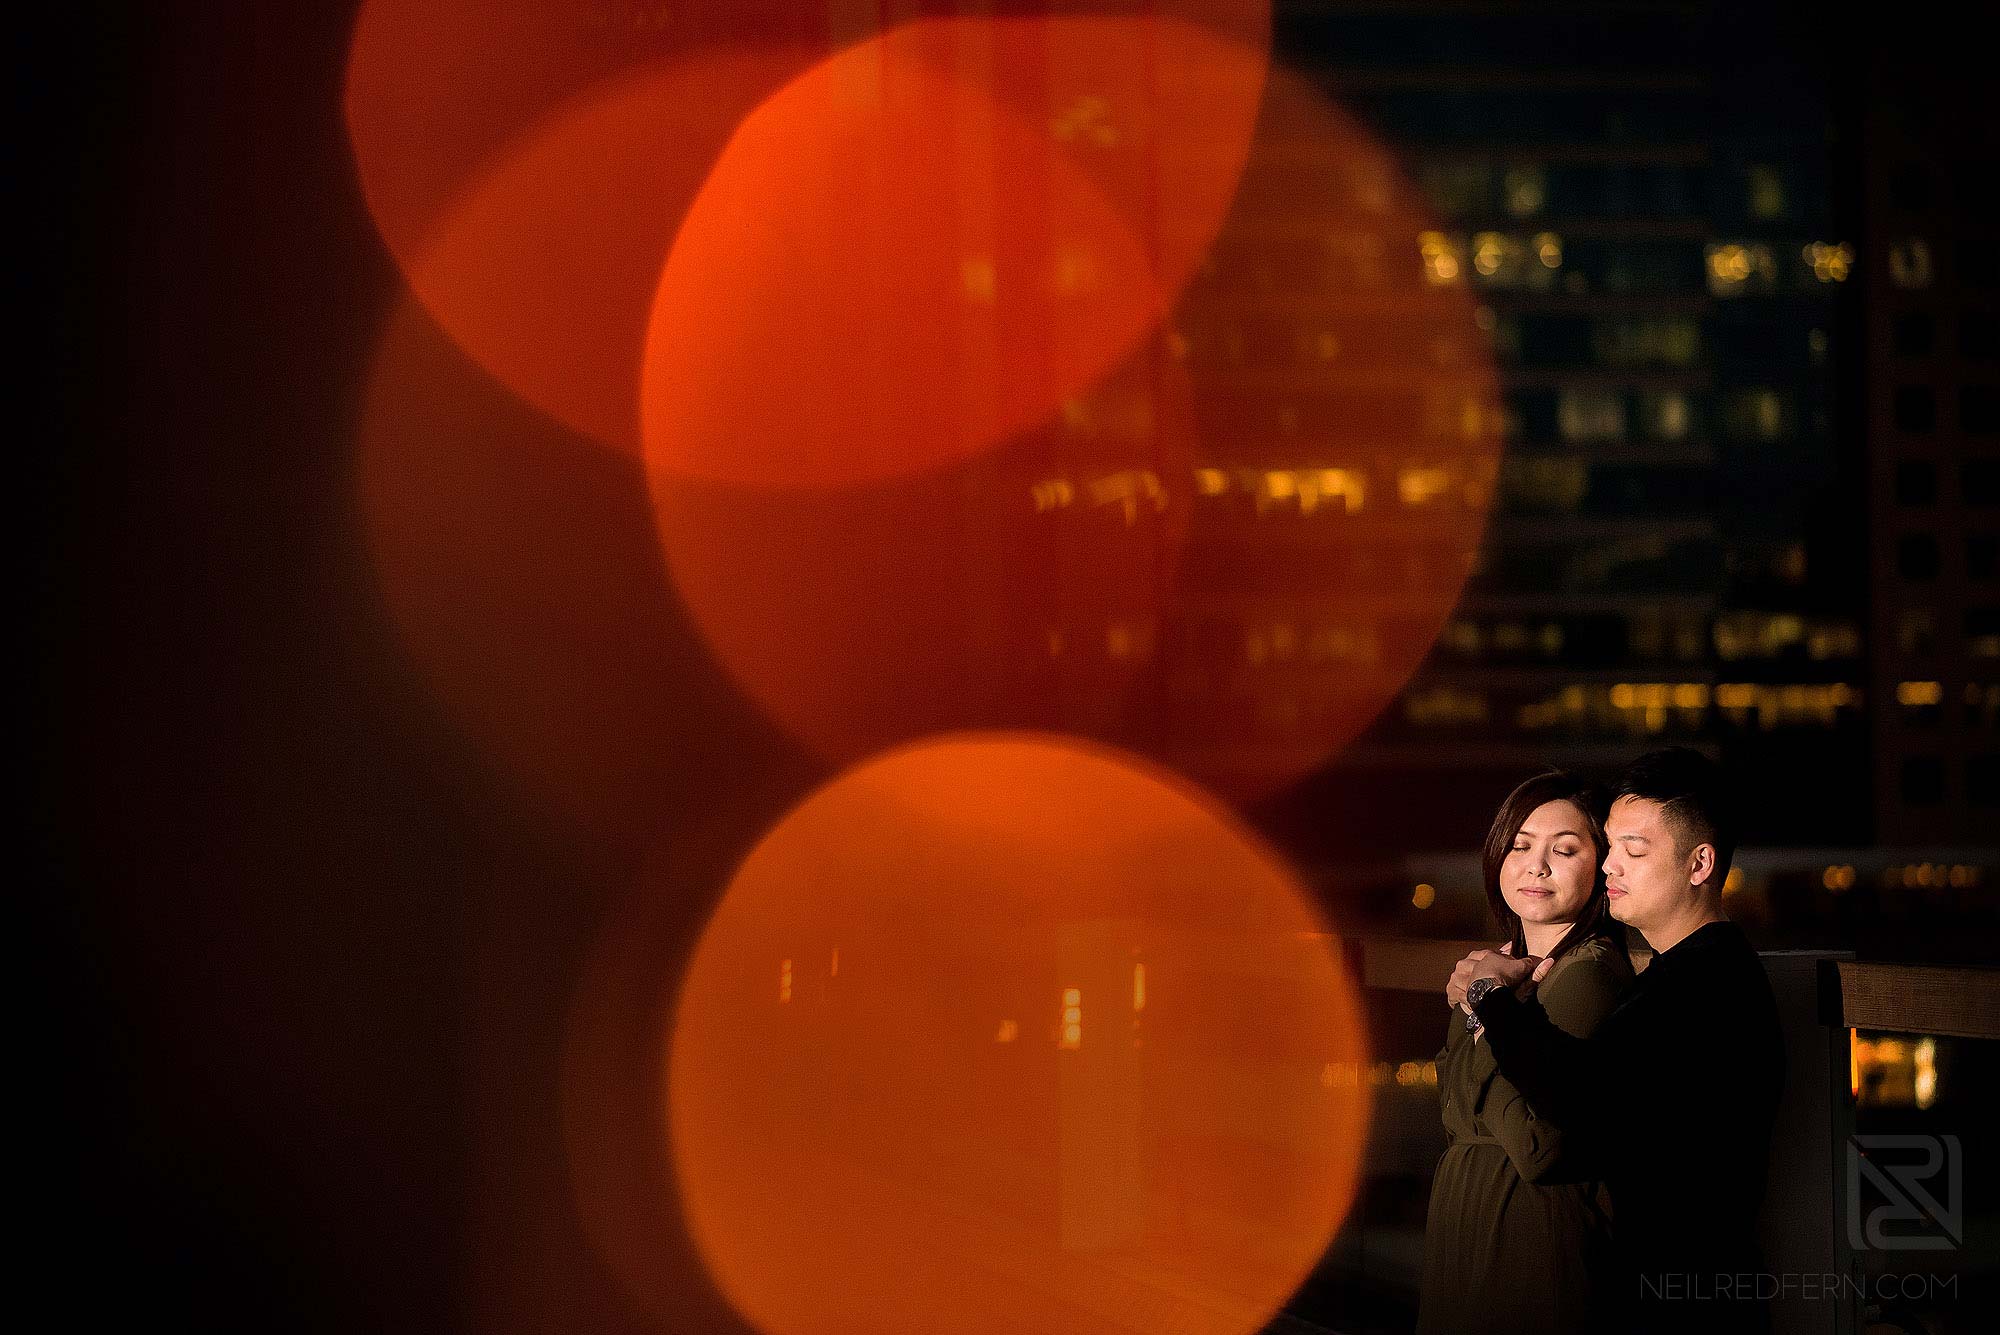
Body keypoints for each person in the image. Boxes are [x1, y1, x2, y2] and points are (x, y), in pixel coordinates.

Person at [1449, 747, 1784, 1333]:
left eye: (1632, 850)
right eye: (1610, 849)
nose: (1611, 869)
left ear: (1698, 864)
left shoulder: (1704, 987)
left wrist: (1490, 999)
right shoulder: (1681, 974)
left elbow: (1569, 1100)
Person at [1417, 771, 1632, 1335]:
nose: (1536, 865)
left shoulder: (1587, 974)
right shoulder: (1496, 965)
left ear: (1602, 866)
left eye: (1563, 849)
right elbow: (1450, 1109)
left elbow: (1541, 1146)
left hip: (1532, 1233)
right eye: (1521, 845)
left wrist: (1485, 1006)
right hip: (1468, 1219)